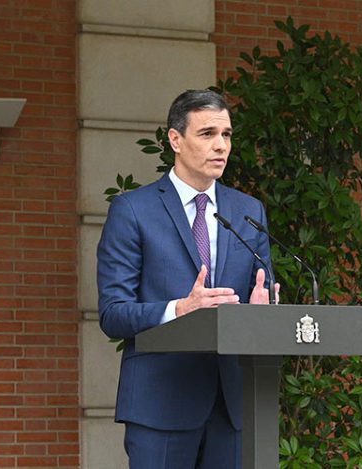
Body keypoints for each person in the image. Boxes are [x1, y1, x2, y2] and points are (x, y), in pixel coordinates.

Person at [97, 89, 278, 468]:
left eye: (227, 134)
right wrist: (180, 308)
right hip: (159, 403)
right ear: (175, 140)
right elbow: (113, 314)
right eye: (207, 133)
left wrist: (262, 312)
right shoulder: (133, 210)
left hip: (231, 406)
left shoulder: (248, 211)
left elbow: (261, 290)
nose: (221, 146)